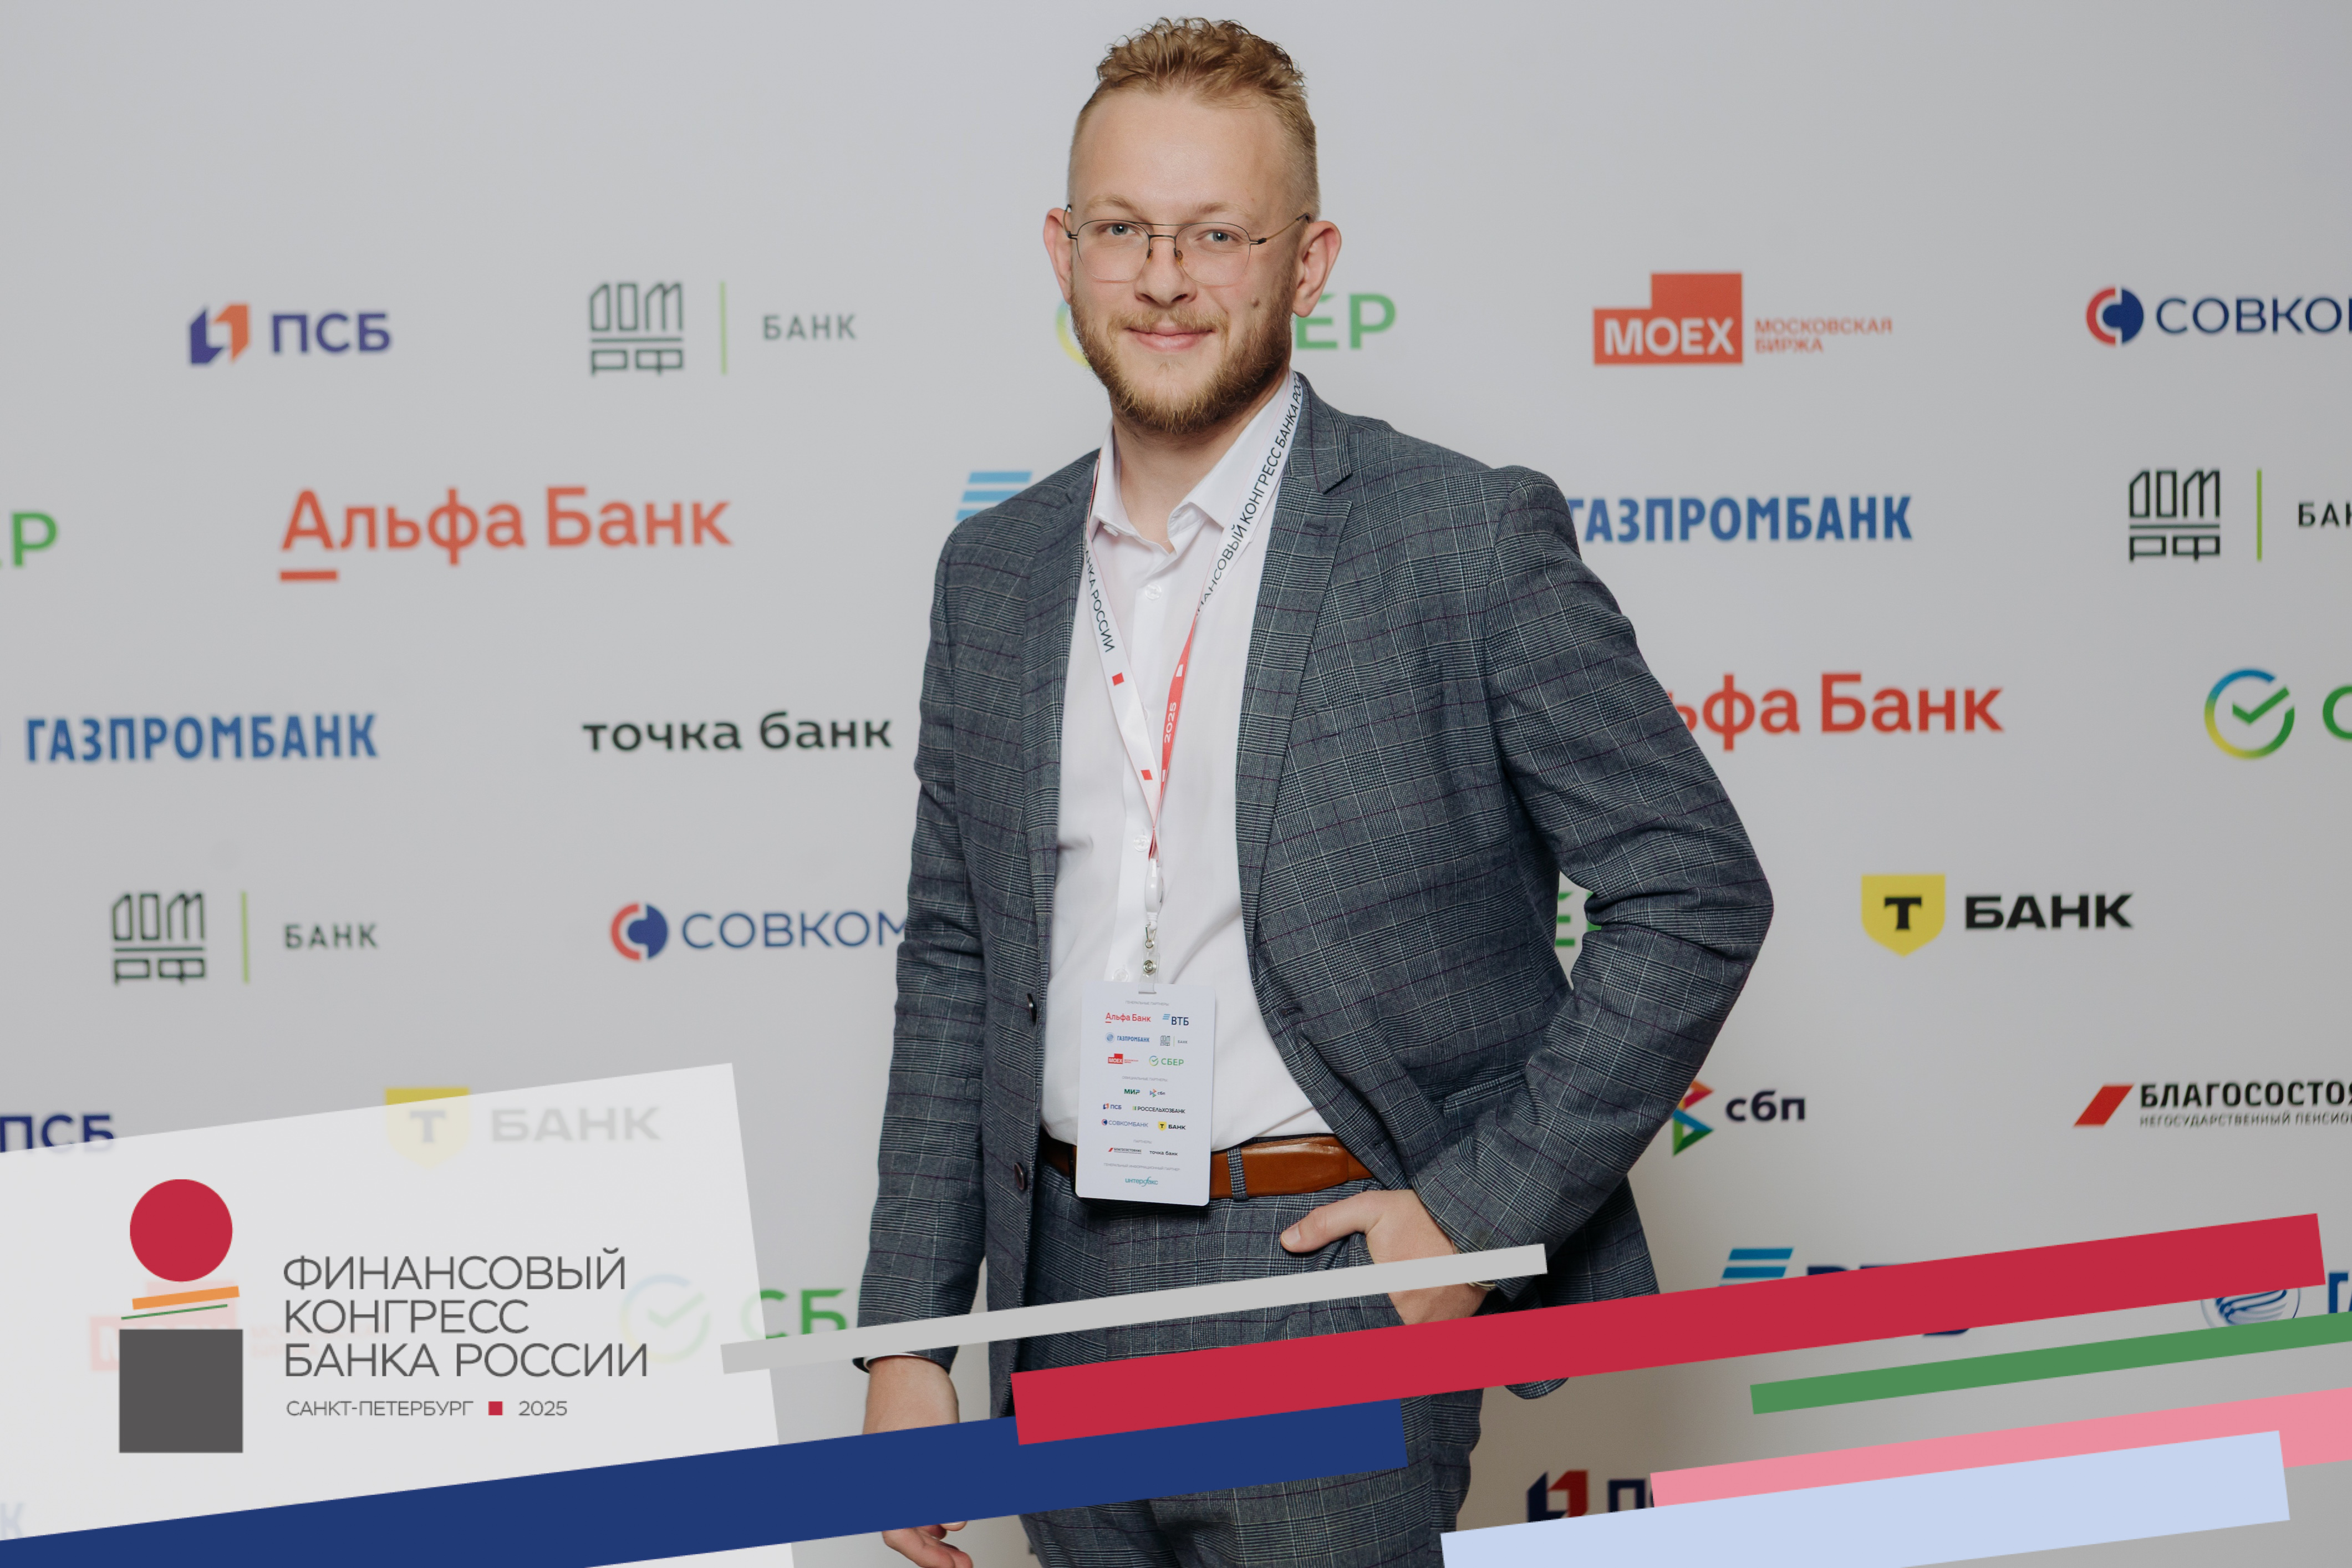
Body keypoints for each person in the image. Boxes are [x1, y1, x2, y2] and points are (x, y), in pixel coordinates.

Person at [857, 18, 1771, 1568]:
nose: (1163, 278)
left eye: (1217, 234)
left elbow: (1692, 888)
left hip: (1319, 1272)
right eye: (1122, 229)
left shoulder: (1457, 540)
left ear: (1309, 260)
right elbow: (957, 960)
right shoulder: (993, 574)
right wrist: (906, 1337)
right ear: (1062, 251)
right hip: (1057, 1284)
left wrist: (1471, 1217)